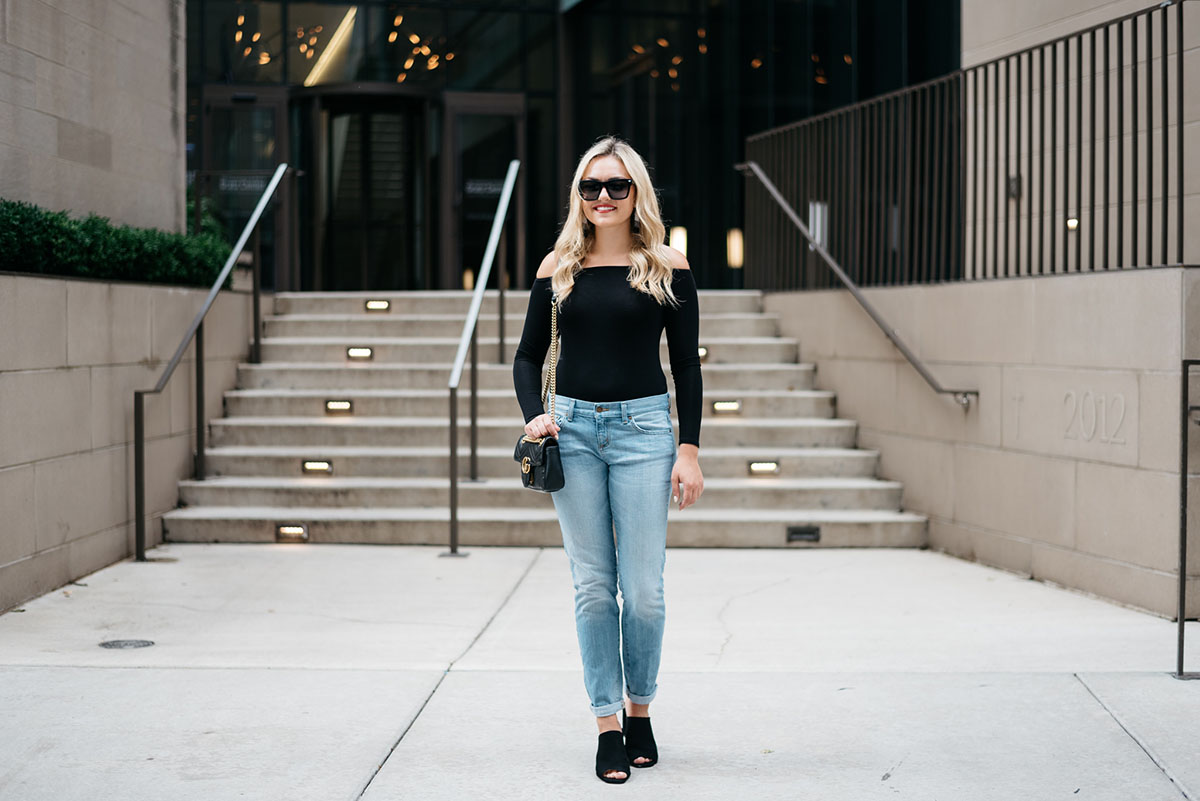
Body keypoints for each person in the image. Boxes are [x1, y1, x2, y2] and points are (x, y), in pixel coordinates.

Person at [512, 136, 705, 784]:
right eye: (591, 187)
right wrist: (532, 414)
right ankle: (607, 724)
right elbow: (525, 355)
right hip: (573, 430)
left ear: (635, 194)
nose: (602, 197)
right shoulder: (557, 267)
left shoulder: (667, 264)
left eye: (615, 186)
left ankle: (641, 707)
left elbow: (685, 366)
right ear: (579, 195)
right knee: (594, 587)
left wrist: (689, 449)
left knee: (644, 591)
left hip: (646, 431)